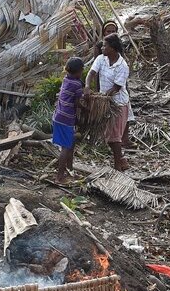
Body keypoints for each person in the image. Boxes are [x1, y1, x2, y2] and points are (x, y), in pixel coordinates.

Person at [86, 33, 131, 171]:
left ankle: (118, 165)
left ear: (112, 48)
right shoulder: (101, 59)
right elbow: (91, 74)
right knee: (108, 135)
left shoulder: (122, 66)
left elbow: (116, 88)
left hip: (118, 103)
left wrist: (101, 97)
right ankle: (121, 160)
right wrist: (87, 86)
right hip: (105, 101)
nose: (102, 48)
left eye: (105, 46)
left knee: (114, 136)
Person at [92, 21, 135, 149]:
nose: (111, 33)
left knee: (123, 114)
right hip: (104, 83)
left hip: (118, 84)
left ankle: (122, 140)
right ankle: (108, 141)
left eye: (113, 31)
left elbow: (118, 84)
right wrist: (95, 89)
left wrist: (109, 94)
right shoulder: (100, 49)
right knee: (105, 115)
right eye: (108, 31)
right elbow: (94, 71)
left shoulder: (120, 54)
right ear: (103, 32)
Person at [52, 57, 86, 183]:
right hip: (66, 119)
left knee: (70, 144)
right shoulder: (77, 85)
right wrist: (86, 109)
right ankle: (59, 176)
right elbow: (77, 103)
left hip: (58, 116)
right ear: (79, 71)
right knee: (66, 147)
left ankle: (70, 170)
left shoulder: (66, 79)